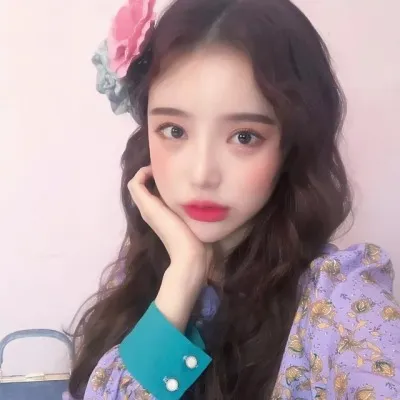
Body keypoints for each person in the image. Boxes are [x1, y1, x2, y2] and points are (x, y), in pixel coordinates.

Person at [66, 0, 400, 398]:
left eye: (244, 136)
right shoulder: (137, 277)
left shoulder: (341, 300)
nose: (202, 174)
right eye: (174, 130)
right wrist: (183, 275)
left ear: (290, 147)